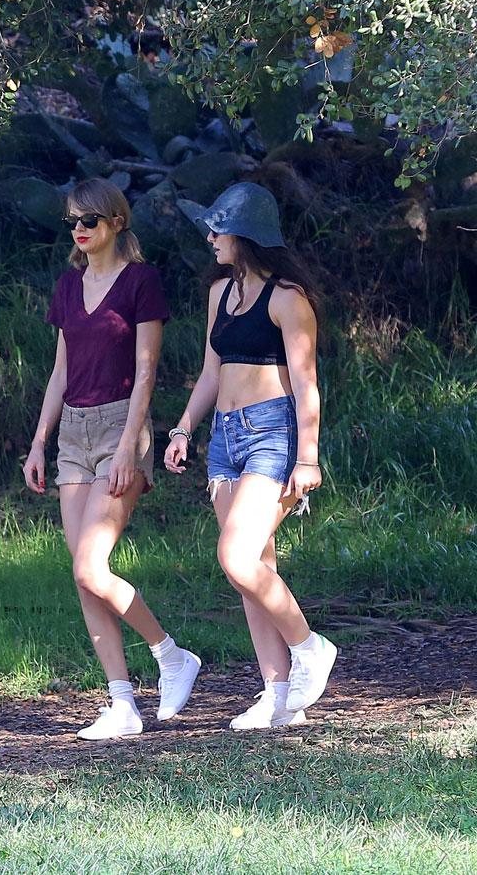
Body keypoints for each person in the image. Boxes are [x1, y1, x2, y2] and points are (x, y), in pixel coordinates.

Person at [23, 178, 200, 740]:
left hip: (121, 426)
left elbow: (147, 370)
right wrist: (39, 441)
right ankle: (122, 703)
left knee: (89, 566)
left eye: (90, 220)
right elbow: (59, 372)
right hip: (73, 431)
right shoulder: (68, 287)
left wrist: (129, 445)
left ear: (116, 223)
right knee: (84, 579)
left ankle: (172, 656)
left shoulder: (140, 282)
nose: (79, 229)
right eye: (73, 220)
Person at [164, 182, 337, 730]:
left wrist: (307, 459)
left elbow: (306, 384)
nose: (211, 238)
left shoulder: (288, 298)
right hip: (225, 436)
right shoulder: (221, 293)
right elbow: (212, 372)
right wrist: (183, 428)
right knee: (254, 567)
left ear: (249, 236)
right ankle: (278, 695)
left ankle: (310, 647)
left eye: (220, 230)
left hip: (272, 434)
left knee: (236, 557)